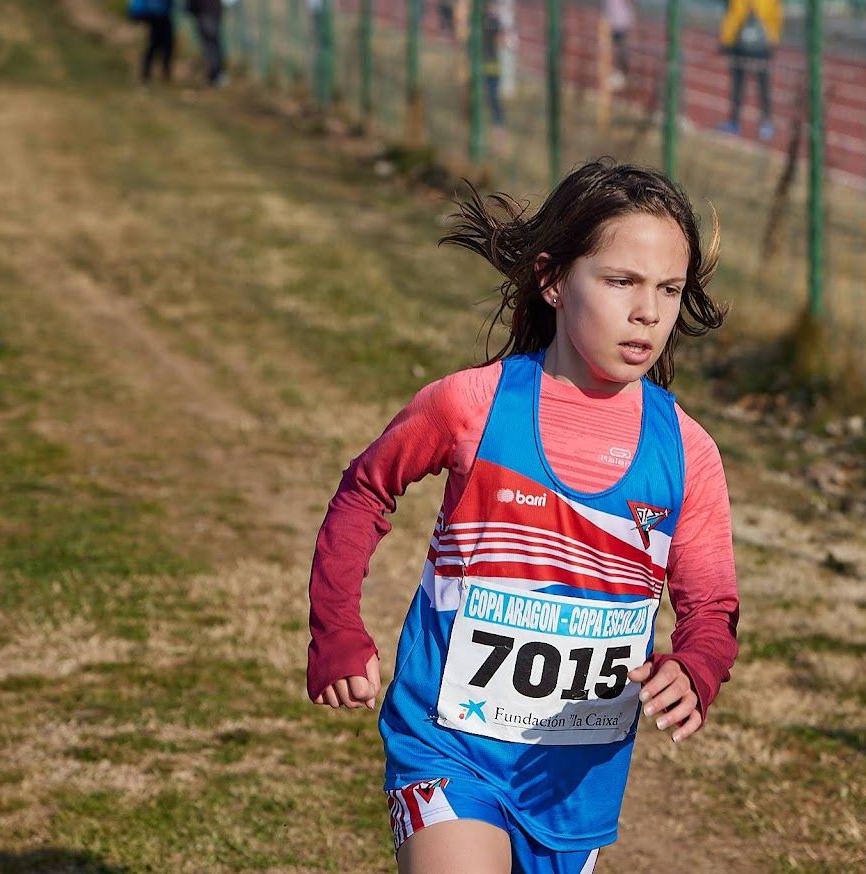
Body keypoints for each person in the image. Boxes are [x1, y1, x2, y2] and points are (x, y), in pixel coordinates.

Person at [307, 160, 740, 874]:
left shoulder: (687, 452)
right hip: (446, 745)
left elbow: (712, 604)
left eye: (669, 289)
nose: (648, 312)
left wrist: (696, 669)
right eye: (621, 281)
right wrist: (337, 629)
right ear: (553, 280)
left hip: (572, 780)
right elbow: (364, 491)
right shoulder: (470, 406)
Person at [717, 0, 782, 142]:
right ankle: (735, 122)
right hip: (740, 44)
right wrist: (726, 39)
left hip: (761, 44)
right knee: (738, 86)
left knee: (762, 85)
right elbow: (733, 15)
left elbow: (774, 15)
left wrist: (773, 38)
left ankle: (765, 122)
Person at [128, 0, 174, 83]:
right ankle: (161, 73)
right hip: (158, 14)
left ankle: (149, 73)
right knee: (162, 44)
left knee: (156, 44)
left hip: (158, 13)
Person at [186, 0, 225, 87]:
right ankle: (215, 74)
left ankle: (215, 74)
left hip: (206, 13)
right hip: (210, 12)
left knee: (210, 45)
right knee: (211, 44)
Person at [602, 0, 635, 91]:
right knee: (615, 48)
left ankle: (620, 74)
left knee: (619, 49)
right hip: (614, 23)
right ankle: (618, 74)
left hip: (619, 24)